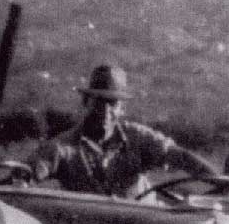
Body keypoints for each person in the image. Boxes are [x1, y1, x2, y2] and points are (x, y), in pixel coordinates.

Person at [29, 64, 217, 198]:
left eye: (112, 103)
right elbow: (32, 170)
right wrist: (28, 174)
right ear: (86, 103)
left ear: (122, 109)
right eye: (98, 102)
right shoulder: (64, 147)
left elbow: (177, 156)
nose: (105, 111)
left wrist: (217, 179)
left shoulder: (139, 138)